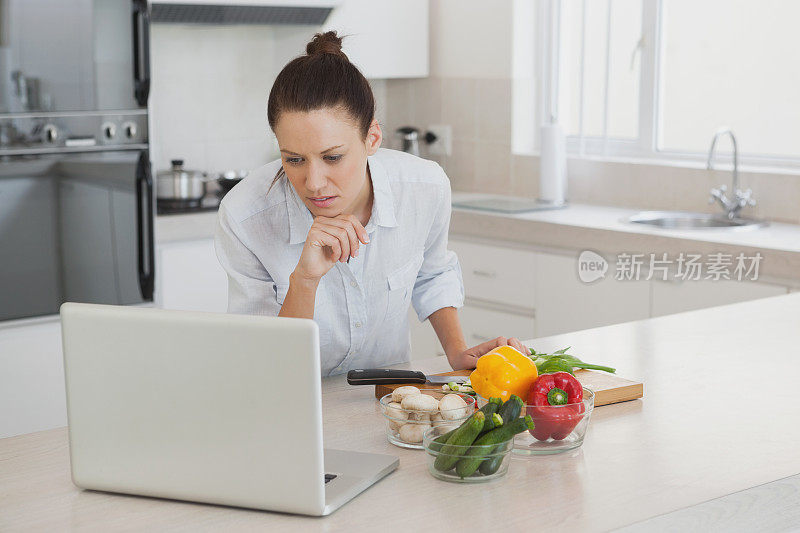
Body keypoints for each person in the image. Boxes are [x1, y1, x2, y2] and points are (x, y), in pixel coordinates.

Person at [214, 31, 528, 376]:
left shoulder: (423, 187)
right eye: (294, 160)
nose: (314, 183)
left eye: (332, 157)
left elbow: (432, 272)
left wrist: (456, 352)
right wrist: (304, 280)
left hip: (387, 396)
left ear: (372, 138)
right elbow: (263, 365)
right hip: (292, 403)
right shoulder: (245, 216)